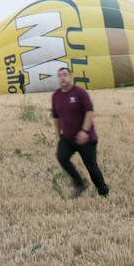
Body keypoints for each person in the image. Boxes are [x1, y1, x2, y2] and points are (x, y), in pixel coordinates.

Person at [51, 66, 109, 199]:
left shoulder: (80, 92)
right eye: (60, 76)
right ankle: (79, 184)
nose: (62, 78)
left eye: (65, 75)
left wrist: (84, 131)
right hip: (68, 137)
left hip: (86, 138)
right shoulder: (56, 96)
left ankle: (103, 190)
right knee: (62, 157)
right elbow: (56, 117)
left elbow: (89, 111)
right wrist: (58, 134)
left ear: (70, 77)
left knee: (91, 166)